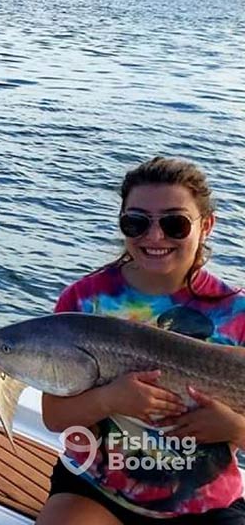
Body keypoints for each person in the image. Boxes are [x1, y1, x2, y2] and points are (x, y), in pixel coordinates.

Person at [38, 157, 245, 524]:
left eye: (174, 223)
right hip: (96, 488)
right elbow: (55, 416)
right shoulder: (85, 303)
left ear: (206, 226)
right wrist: (110, 398)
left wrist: (235, 428)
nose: (154, 237)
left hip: (204, 504)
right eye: (136, 222)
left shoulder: (237, 314)